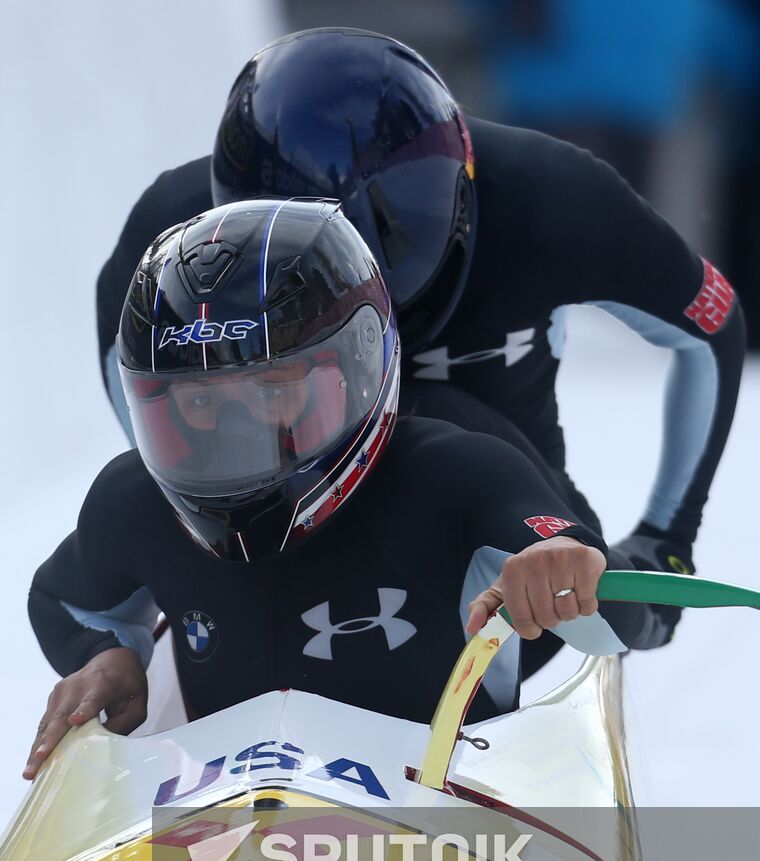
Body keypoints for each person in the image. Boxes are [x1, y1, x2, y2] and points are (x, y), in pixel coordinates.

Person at [96, 28, 746, 656]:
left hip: (508, 517)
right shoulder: (179, 237)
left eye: (387, 228)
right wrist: (195, 536)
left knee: (496, 477)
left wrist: (668, 534)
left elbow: (709, 323)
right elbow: (143, 385)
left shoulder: (551, 196)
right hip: (285, 522)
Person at [24, 199, 647, 780]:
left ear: (356, 366)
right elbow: (61, 600)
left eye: (274, 390)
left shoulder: (457, 476)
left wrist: (568, 570)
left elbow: (624, 614)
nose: (241, 436)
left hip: (435, 853)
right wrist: (106, 654)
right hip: (222, 854)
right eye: (203, 401)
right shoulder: (135, 502)